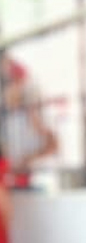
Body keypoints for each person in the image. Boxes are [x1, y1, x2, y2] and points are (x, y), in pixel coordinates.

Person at [0, 59, 56, 189]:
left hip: (32, 178)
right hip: (12, 179)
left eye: (14, 83)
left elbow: (53, 145)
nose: (10, 89)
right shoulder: (8, 118)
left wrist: (29, 159)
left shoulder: (31, 116)